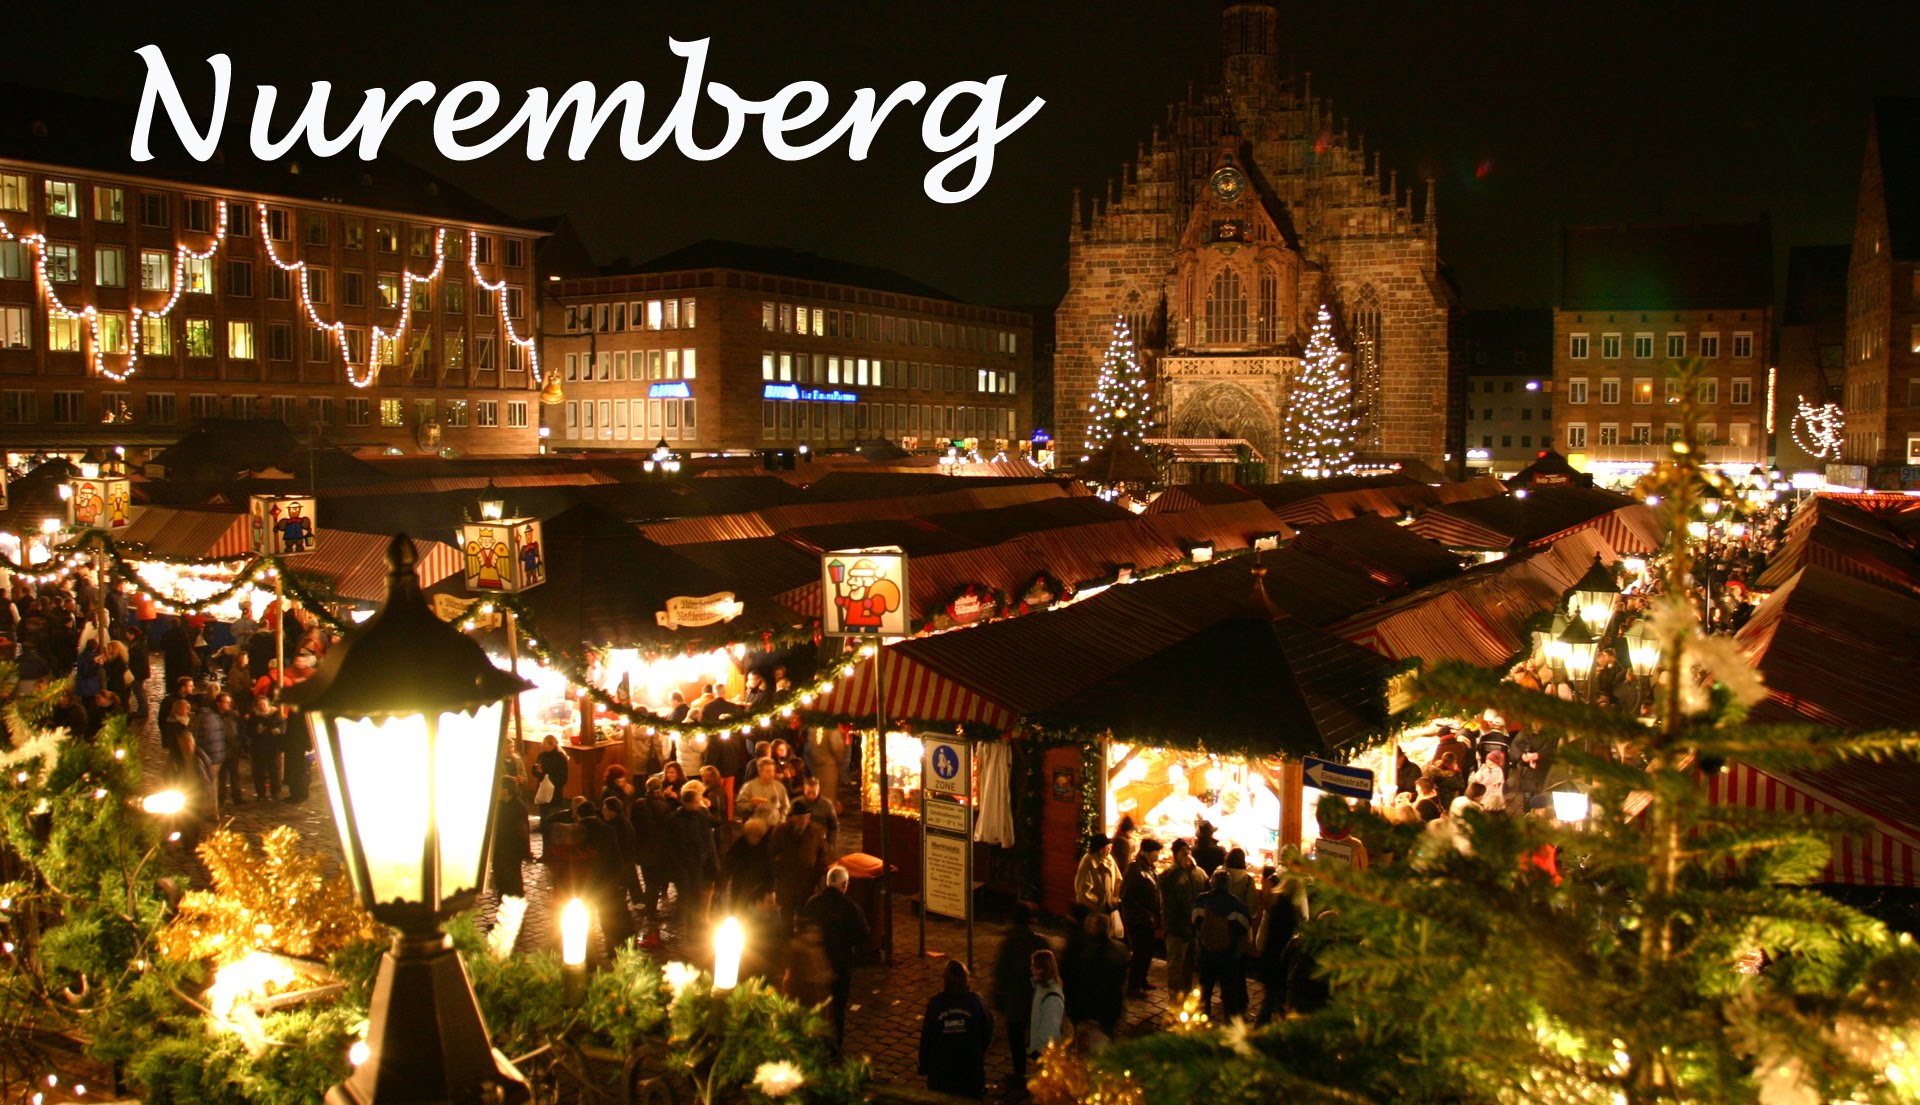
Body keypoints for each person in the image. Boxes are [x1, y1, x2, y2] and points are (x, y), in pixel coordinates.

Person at [803, 865, 871, 1053]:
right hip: (840, 966)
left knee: (815, 1005)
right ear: (844, 884)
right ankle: (833, 1047)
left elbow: (801, 927)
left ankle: (812, 1042)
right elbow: (863, 934)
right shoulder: (850, 907)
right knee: (838, 1008)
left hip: (814, 965)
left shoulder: (812, 903)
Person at [993, 903, 1053, 1090]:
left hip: (1016, 999)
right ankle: (1044, 1071)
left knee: (1017, 1037)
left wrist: (999, 994)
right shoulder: (1039, 942)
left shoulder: (1009, 943)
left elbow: (1002, 971)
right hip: (1037, 997)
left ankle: (1020, 1073)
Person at [918, 960, 993, 1100]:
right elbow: (987, 1029)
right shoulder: (976, 1002)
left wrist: (924, 1065)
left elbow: (927, 1037)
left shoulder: (935, 1004)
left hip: (942, 1071)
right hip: (970, 1069)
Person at [1192, 870, 1251, 1021]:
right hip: (1229, 956)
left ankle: (1202, 1021)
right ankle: (1229, 1024)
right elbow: (1245, 926)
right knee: (1229, 992)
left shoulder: (1201, 900)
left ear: (1212, 882)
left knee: (1205, 990)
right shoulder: (1236, 904)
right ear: (1228, 885)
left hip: (1206, 953)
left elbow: (1195, 922)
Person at [1156, 838, 1207, 998]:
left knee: (1189, 966)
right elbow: (1164, 886)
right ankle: (1175, 1000)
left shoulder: (1198, 872)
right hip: (1176, 928)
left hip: (1193, 928)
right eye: (1182, 852)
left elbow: (1207, 886)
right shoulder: (1169, 875)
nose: (1186, 855)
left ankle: (1185, 995)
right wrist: (1180, 871)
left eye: (1188, 851)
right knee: (1175, 966)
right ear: (1175, 855)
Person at [1253, 874, 1305, 1026]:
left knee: (1270, 1000)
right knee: (1275, 1002)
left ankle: (1261, 1029)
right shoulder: (1290, 911)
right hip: (1280, 963)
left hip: (1270, 959)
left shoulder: (1277, 904)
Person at [770, 803, 828, 932]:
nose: (803, 821)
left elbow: (822, 855)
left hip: (807, 883)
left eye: (806, 817)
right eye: (800, 818)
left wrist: (818, 875)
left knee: (805, 915)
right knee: (786, 915)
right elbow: (771, 854)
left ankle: (802, 942)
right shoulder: (781, 831)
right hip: (786, 883)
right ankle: (786, 940)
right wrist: (778, 870)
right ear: (792, 818)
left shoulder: (815, 832)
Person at [669, 780, 720, 925]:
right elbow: (677, 845)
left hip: (707, 859)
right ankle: (693, 924)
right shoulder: (676, 820)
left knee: (706, 890)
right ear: (688, 803)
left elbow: (716, 822)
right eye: (698, 801)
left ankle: (702, 919)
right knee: (693, 895)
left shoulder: (702, 812)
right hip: (691, 863)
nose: (700, 803)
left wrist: (710, 808)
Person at [1119, 838, 1163, 998]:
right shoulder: (1135, 869)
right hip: (1138, 920)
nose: (1158, 855)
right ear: (1146, 852)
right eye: (1156, 852)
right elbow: (1127, 896)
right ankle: (1133, 986)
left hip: (1148, 919)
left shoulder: (1149, 868)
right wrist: (1145, 914)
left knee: (1147, 951)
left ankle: (1142, 980)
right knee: (1139, 953)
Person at [720, 816, 775, 911]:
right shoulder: (740, 844)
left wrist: (770, 886)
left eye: (759, 835)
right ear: (747, 834)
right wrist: (722, 882)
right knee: (738, 906)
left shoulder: (766, 846)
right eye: (754, 835)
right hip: (741, 881)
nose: (756, 838)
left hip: (760, 883)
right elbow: (729, 863)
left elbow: (771, 866)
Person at [199, 692, 243, 808]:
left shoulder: (233, 715)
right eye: (226, 702)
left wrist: (239, 744)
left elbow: (239, 730)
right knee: (221, 776)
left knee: (235, 775)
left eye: (230, 702)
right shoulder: (213, 717)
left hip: (233, 749)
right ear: (218, 703)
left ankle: (237, 797)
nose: (229, 704)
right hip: (220, 751)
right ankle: (220, 798)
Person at [1026, 949, 1068, 1069]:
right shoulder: (1041, 988)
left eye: (1034, 966)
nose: (1031, 969)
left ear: (1042, 969)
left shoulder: (1051, 996)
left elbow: (1050, 1030)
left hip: (1046, 1055)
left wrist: (1039, 1052)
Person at [491, 776, 532, 898]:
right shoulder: (499, 805)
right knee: (501, 883)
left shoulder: (518, 807)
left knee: (513, 884)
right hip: (500, 850)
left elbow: (523, 831)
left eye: (498, 787)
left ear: (506, 790)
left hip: (511, 852)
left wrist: (525, 852)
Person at [1072, 833, 1122, 922]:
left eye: (1110, 846)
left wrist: (1116, 897)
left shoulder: (1109, 859)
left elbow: (1118, 879)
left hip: (1108, 907)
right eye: (1107, 847)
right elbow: (1083, 890)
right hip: (1092, 910)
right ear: (1099, 849)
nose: (1110, 849)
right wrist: (1098, 902)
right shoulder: (1088, 863)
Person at [737, 756, 792, 825]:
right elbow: (740, 806)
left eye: (773, 771)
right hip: (755, 824)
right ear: (760, 772)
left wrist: (781, 821)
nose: (771, 774)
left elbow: (786, 806)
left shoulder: (779, 787)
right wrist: (752, 805)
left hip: (775, 824)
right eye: (768, 772)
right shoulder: (749, 786)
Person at [533, 736, 570, 819]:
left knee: (554, 816)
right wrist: (537, 771)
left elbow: (563, 778)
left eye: (545, 744)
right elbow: (535, 772)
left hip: (555, 792)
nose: (543, 746)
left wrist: (548, 777)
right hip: (542, 789)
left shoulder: (560, 758)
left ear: (552, 745)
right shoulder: (541, 755)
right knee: (543, 815)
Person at [159, 695, 195, 778]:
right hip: (180, 756)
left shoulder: (178, 722)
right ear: (179, 710)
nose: (188, 711)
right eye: (186, 709)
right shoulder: (177, 725)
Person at [798, 775, 838, 842]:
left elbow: (833, 827)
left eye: (813, 793)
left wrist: (831, 843)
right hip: (801, 842)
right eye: (808, 792)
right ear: (804, 789)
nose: (811, 796)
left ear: (818, 790)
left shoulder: (827, 805)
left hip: (820, 841)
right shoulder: (797, 804)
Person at [1471, 748, 1508, 813]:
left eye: (1490, 760)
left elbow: (1487, 781)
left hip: (1492, 799)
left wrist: (1485, 770)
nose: (1487, 761)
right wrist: (1481, 769)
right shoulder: (1485, 768)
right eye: (1487, 759)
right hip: (1484, 797)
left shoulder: (1498, 771)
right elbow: (1477, 778)